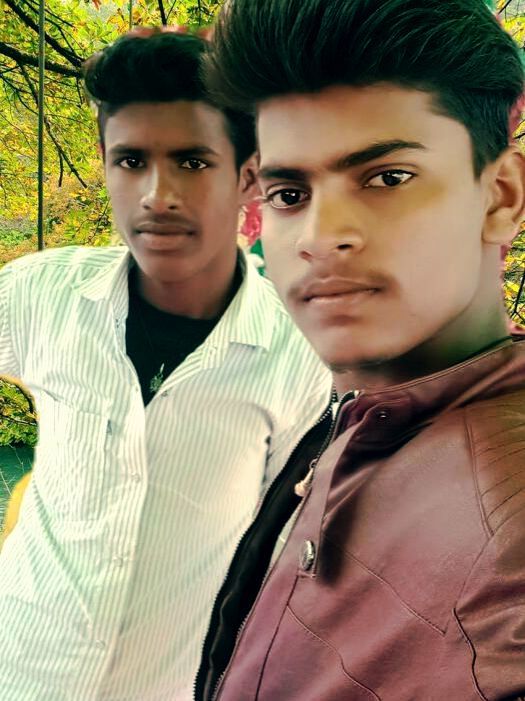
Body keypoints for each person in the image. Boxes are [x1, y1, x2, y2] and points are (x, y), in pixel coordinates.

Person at [195, 1, 525, 699]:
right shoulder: (361, 412)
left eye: (386, 178)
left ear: (500, 196)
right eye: (289, 193)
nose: (321, 236)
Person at [0, 29, 332, 701]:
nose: (156, 194)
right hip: (19, 667)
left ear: (247, 177)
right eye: (130, 161)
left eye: (191, 161)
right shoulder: (41, 296)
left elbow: (276, 553)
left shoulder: (298, 354)